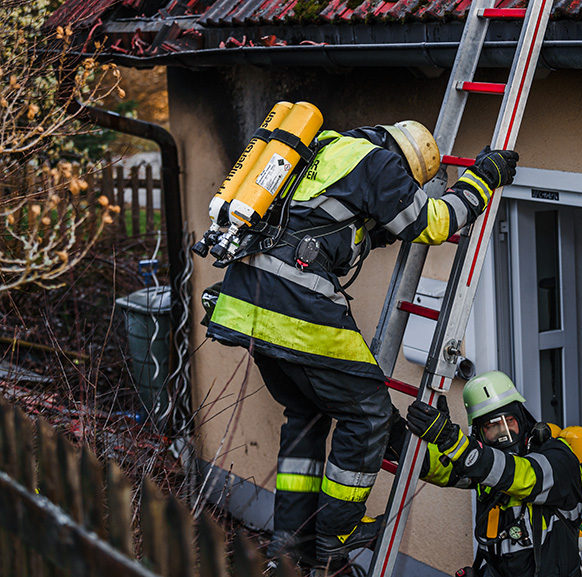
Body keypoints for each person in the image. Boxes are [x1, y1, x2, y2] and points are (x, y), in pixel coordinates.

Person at [205, 116, 519, 570]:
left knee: (307, 417)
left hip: (246, 306)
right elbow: (435, 222)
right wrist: (483, 176)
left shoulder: (325, 150)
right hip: (296, 309)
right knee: (368, 417)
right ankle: (338, 533)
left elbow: (324, 224)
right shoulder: (382, 165)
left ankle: (291, 542)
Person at [405, 371, 582, 577]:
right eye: (492, 426)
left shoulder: (559, 458)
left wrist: (457, 445)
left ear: (522, 417)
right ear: (480, 435)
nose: (504, 432)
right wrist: (396, 438)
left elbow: (526, 477)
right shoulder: (484, 466)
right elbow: (444, 468)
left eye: (509, 421)